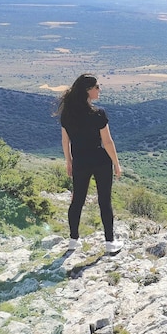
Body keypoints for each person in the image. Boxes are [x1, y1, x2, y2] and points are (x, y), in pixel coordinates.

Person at [56, 73, 123, 254]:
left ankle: (73, 240)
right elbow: (107, 142)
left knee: (77, 200)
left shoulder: (67, 115)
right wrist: (116, 164)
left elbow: (65, 141)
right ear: (88, 91)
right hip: (100, 161)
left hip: (80, 161)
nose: (99, 90)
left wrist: (69, 161)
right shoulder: (98, 114)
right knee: (104, 201)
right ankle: (110, 243)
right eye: (97, 87)